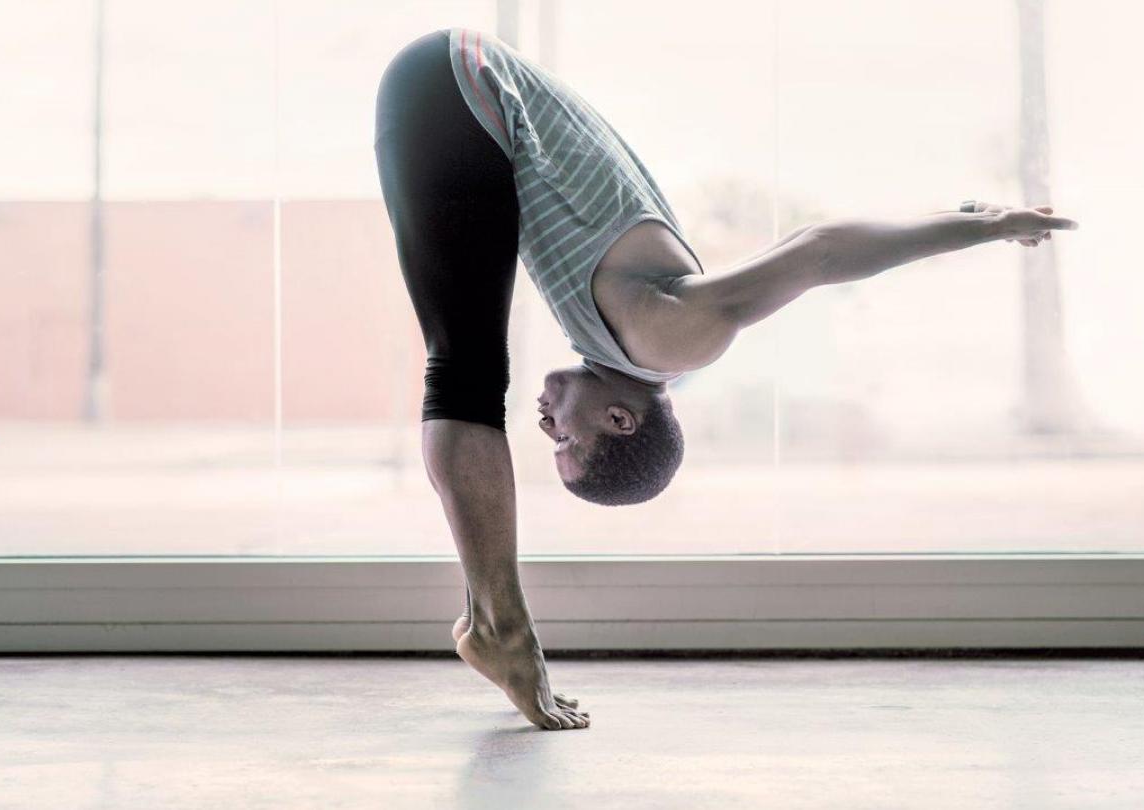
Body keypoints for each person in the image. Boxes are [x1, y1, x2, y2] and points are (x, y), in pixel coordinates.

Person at [373, 27, 1077, 731]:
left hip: (457, 90)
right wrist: (978, 228)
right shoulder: (670, 338)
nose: (548, 425)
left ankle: (490, 617)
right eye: (565, 442)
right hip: (459, 87)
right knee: (464, 379)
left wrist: (964, 218)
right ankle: (502, 628)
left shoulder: (625, 339)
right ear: (620, 420)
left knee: (466, 373)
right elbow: (818, 253)